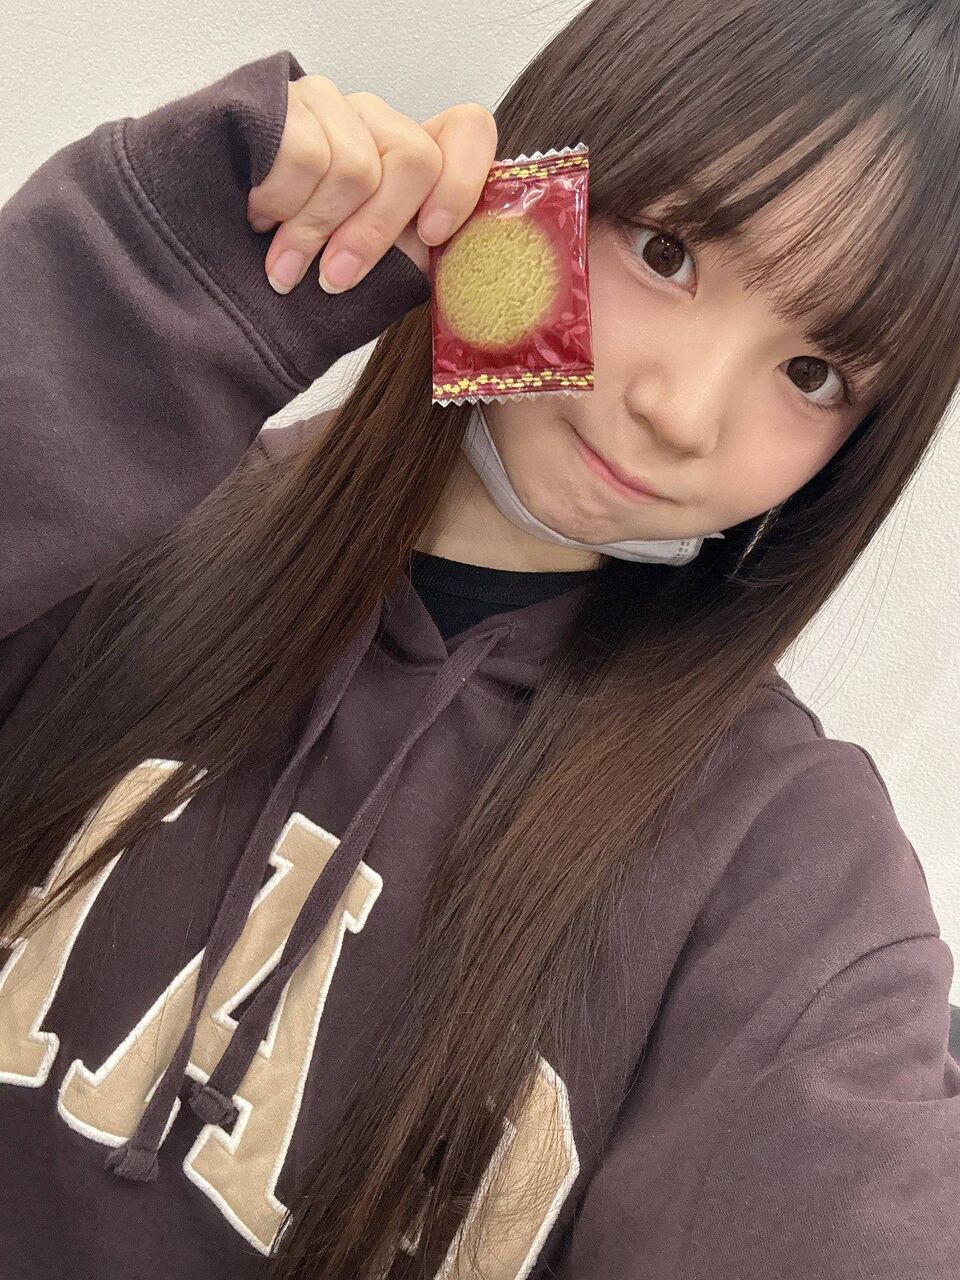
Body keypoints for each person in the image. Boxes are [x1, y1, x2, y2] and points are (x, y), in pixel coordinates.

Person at [0, 1, 958, 1276]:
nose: (681, 411)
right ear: (531, 180)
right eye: (667, 251)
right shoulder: (132, 513)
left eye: (815, 373)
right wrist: (132, 291)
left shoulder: (790, 867)